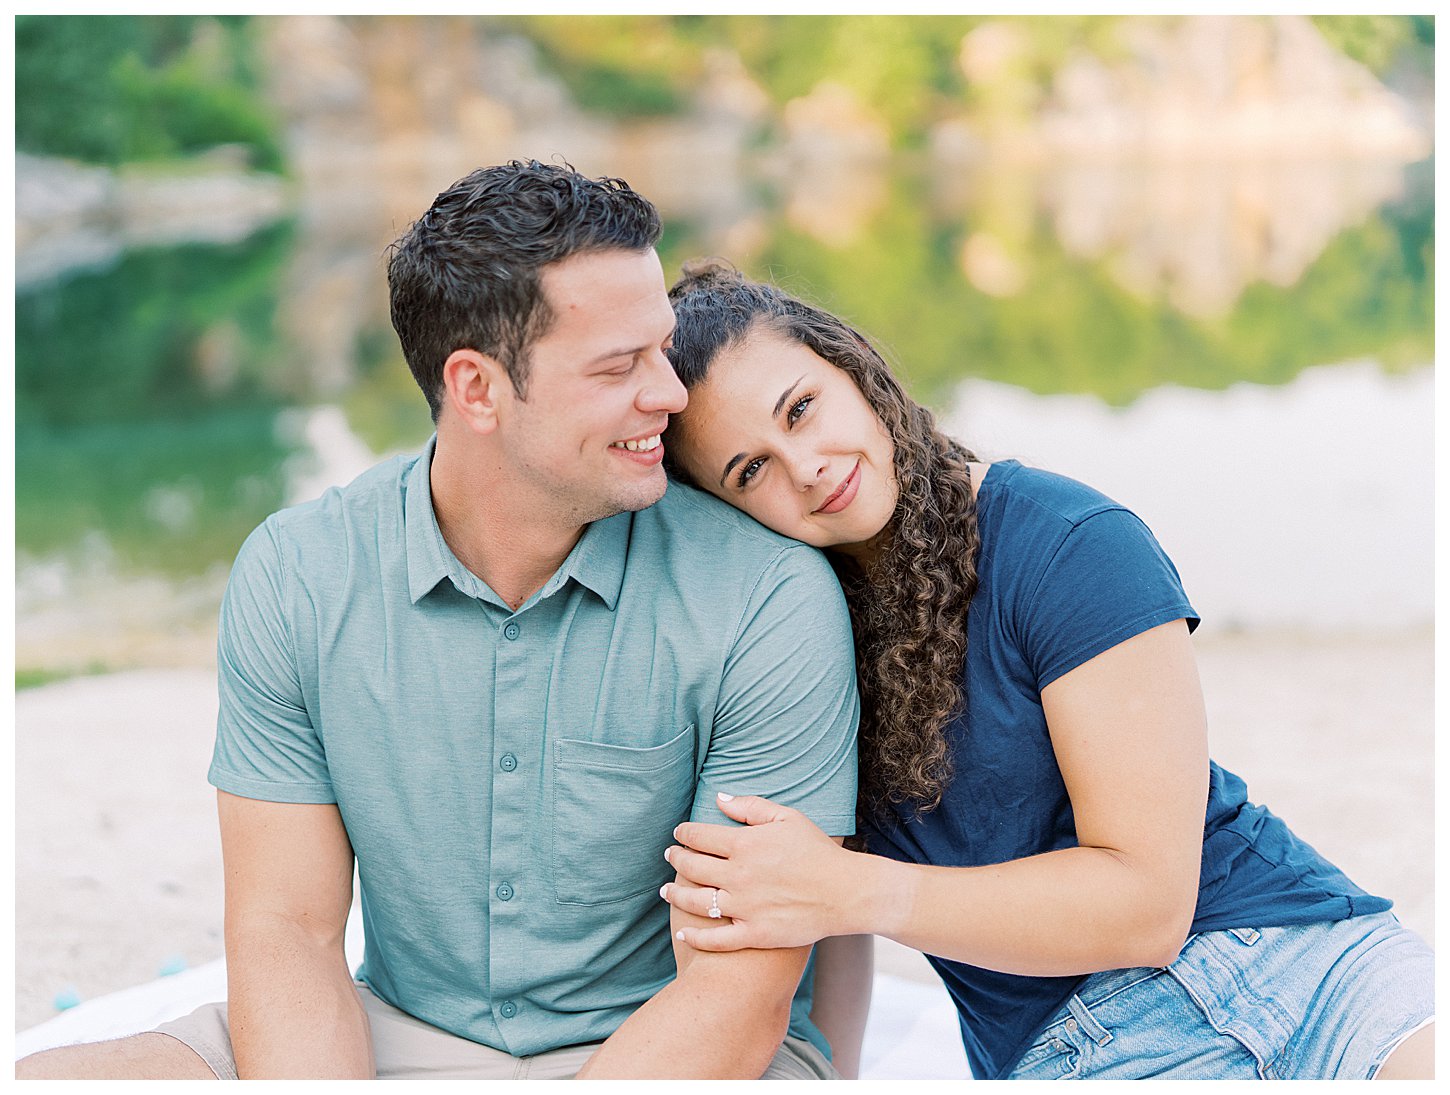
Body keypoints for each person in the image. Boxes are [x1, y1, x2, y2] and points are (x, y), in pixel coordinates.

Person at [15, 164, 861, 1080]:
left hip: (678, 1049)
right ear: (478, 388)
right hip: (396, 1029)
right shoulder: (300, 574)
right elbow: (289, 931)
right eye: (619, 367)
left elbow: (736, 997)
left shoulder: (768, 597)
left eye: (661, 349)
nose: (671, 393)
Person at [654, 259, 1436, 1081]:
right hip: (1079, 1048)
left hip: (1299, 963)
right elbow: (817, 897)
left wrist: (850, 888)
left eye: (802, 408)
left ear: (850, 366)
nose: (804, 464)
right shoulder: (788, 636)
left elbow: (1148, 902)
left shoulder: (1070, 541)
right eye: (751, 469)